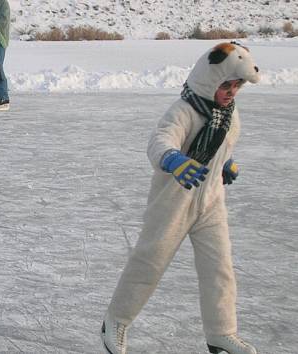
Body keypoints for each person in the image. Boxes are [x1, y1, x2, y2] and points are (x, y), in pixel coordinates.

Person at [100, 42, 260, 354]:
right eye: (226, 85)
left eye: (236, 85)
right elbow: (159, 141)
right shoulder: (184, 111)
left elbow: (223, 146)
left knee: (220, 270)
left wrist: (226, 164)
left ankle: (221, 332)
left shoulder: (229, 114)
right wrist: (174, 159)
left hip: (211, 202)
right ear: (210, 80)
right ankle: (115, 320)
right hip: (173, 202)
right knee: (149, 264)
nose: (231, 92)